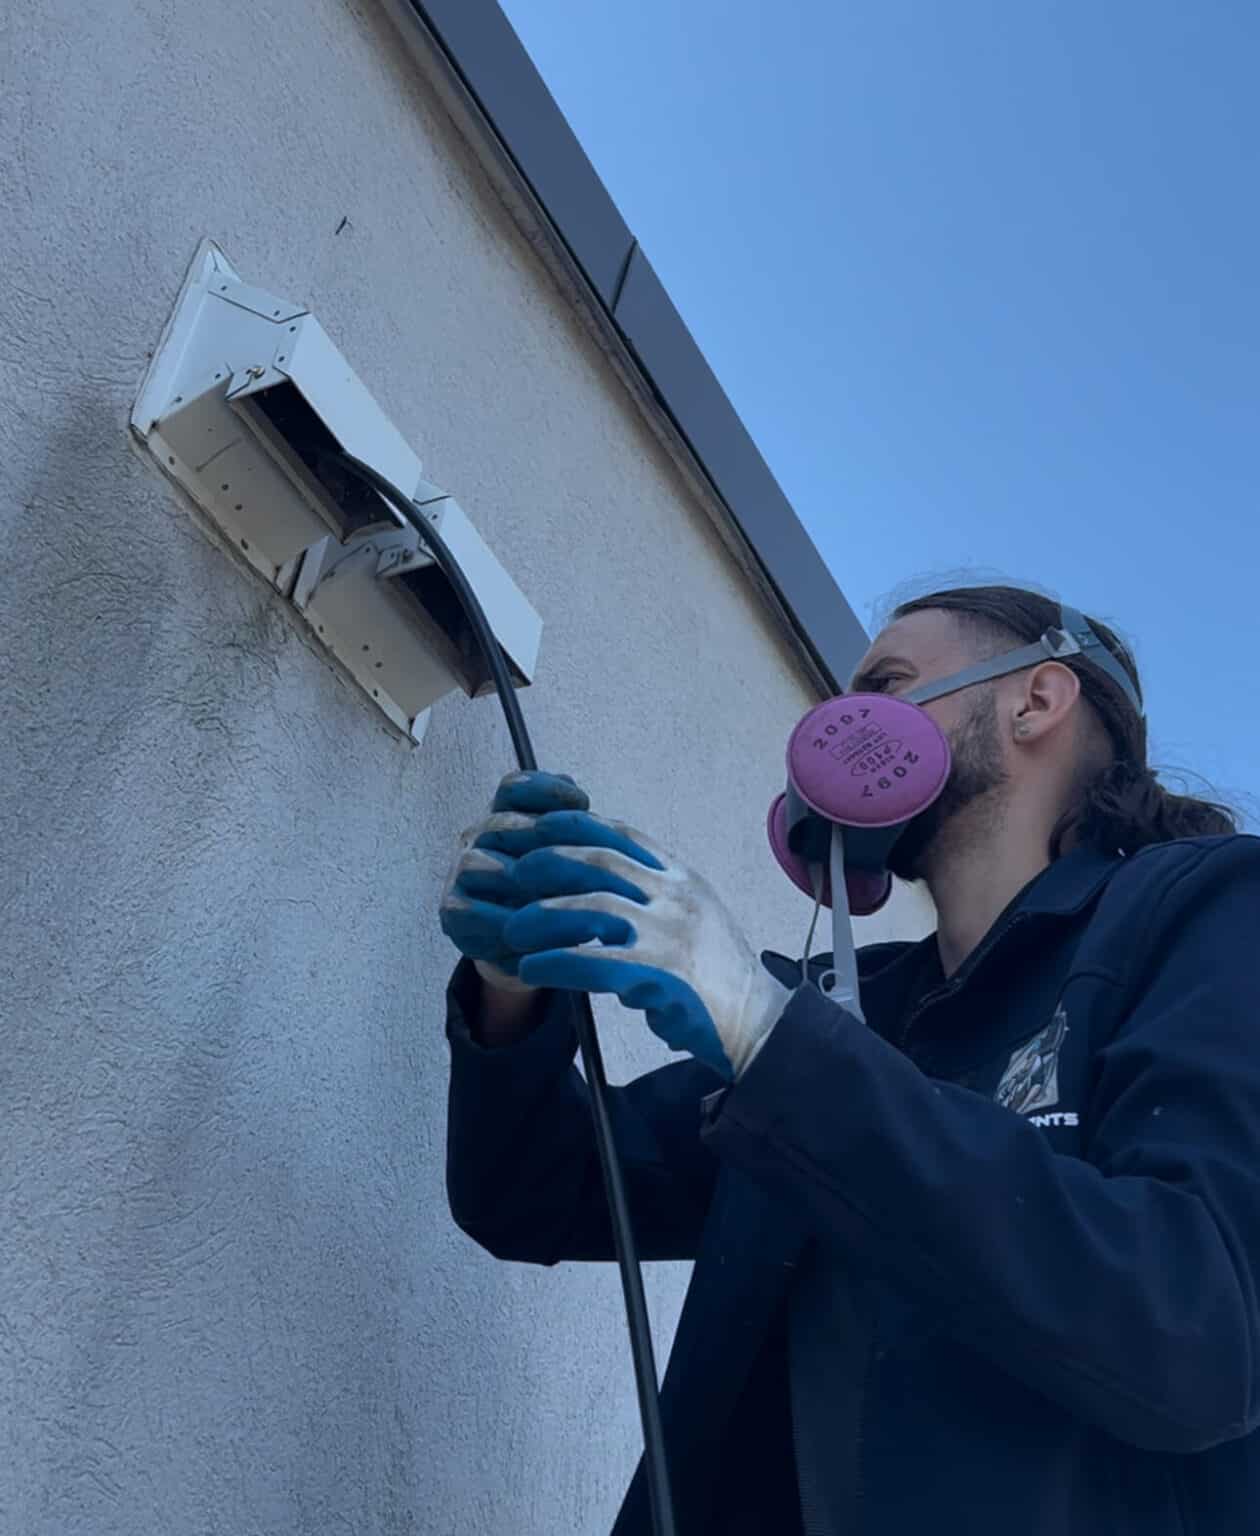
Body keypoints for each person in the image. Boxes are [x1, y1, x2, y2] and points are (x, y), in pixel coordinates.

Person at [439, 583, 1259, 1535]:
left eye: (887, 683)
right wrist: (510, 990)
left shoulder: (1205, 913)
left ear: (1036, 700)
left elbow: (1197, 1331)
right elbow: (534, 1190)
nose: (838, 721)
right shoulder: (844, 1011)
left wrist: (767, 1032)